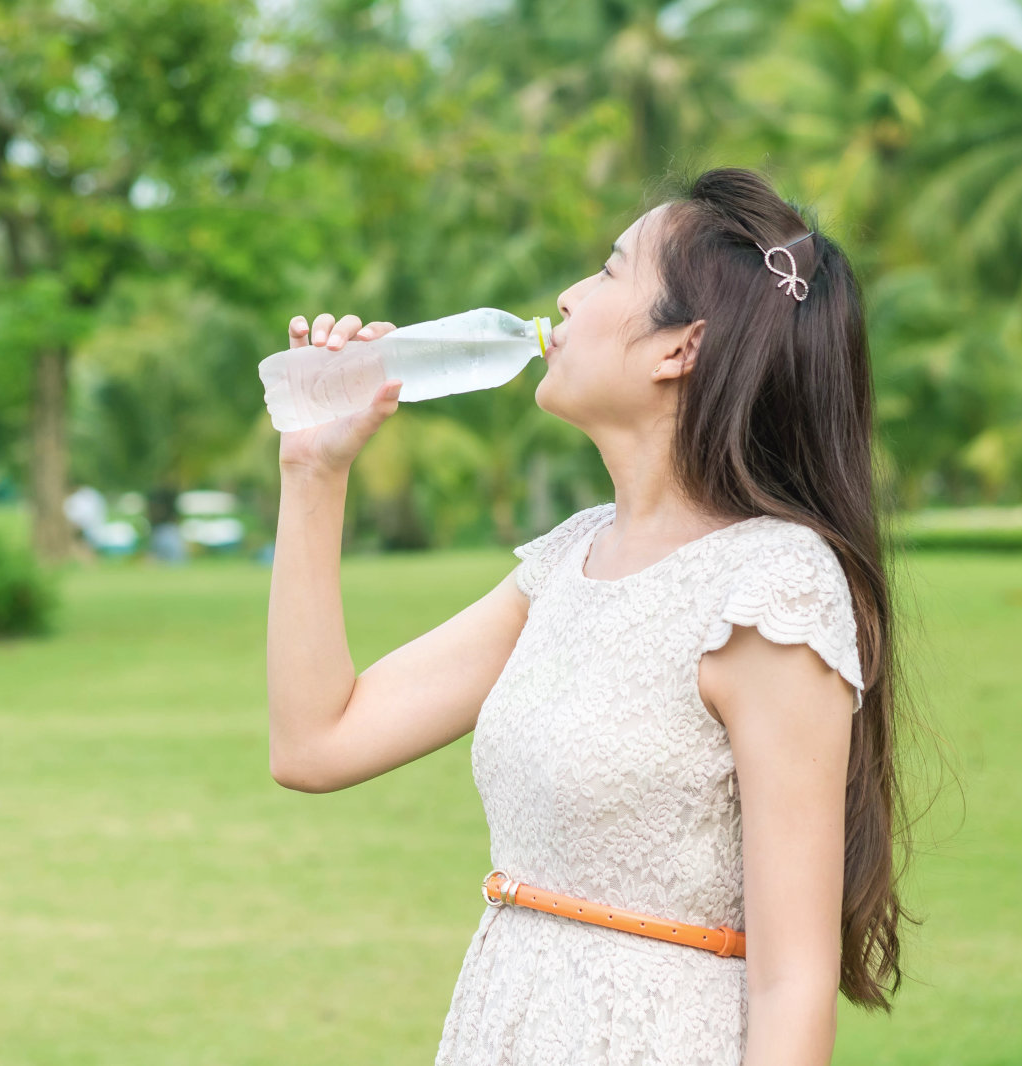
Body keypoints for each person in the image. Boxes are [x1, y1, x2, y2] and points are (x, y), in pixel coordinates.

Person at [266, 167, 913, 1066]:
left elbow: (792, 979)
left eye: (610, 272)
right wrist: (313, 473)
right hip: (506, 1026)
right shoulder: (567, 560)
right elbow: (314, 744)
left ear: (679, 348)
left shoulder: (771, 588)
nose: (567, 296)